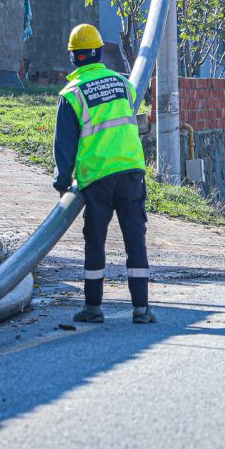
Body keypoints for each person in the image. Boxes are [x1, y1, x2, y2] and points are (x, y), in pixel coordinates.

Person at [53, 23, 155, 324]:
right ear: (98, 52)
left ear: (74, 58)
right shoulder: (123, 84)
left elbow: (65, 144)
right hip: (131, 173)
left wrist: (62, 181)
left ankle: (94, 307)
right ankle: (141, 309)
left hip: (97, 178)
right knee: (135, 239)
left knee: (95, 241)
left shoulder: (70, 94)